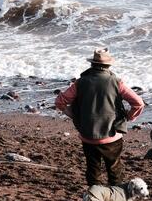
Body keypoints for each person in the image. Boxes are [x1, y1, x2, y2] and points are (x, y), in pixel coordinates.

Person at [55, 48, 145, 186]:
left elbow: (60, 102)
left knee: (93, 171)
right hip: (111, 137)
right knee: (115, 172)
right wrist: (128, 117)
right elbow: (138, 103)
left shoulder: (81, 82)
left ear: (92, 64)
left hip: (88, 137)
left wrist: (75, 116)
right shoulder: (116, 82)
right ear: (108, 65)